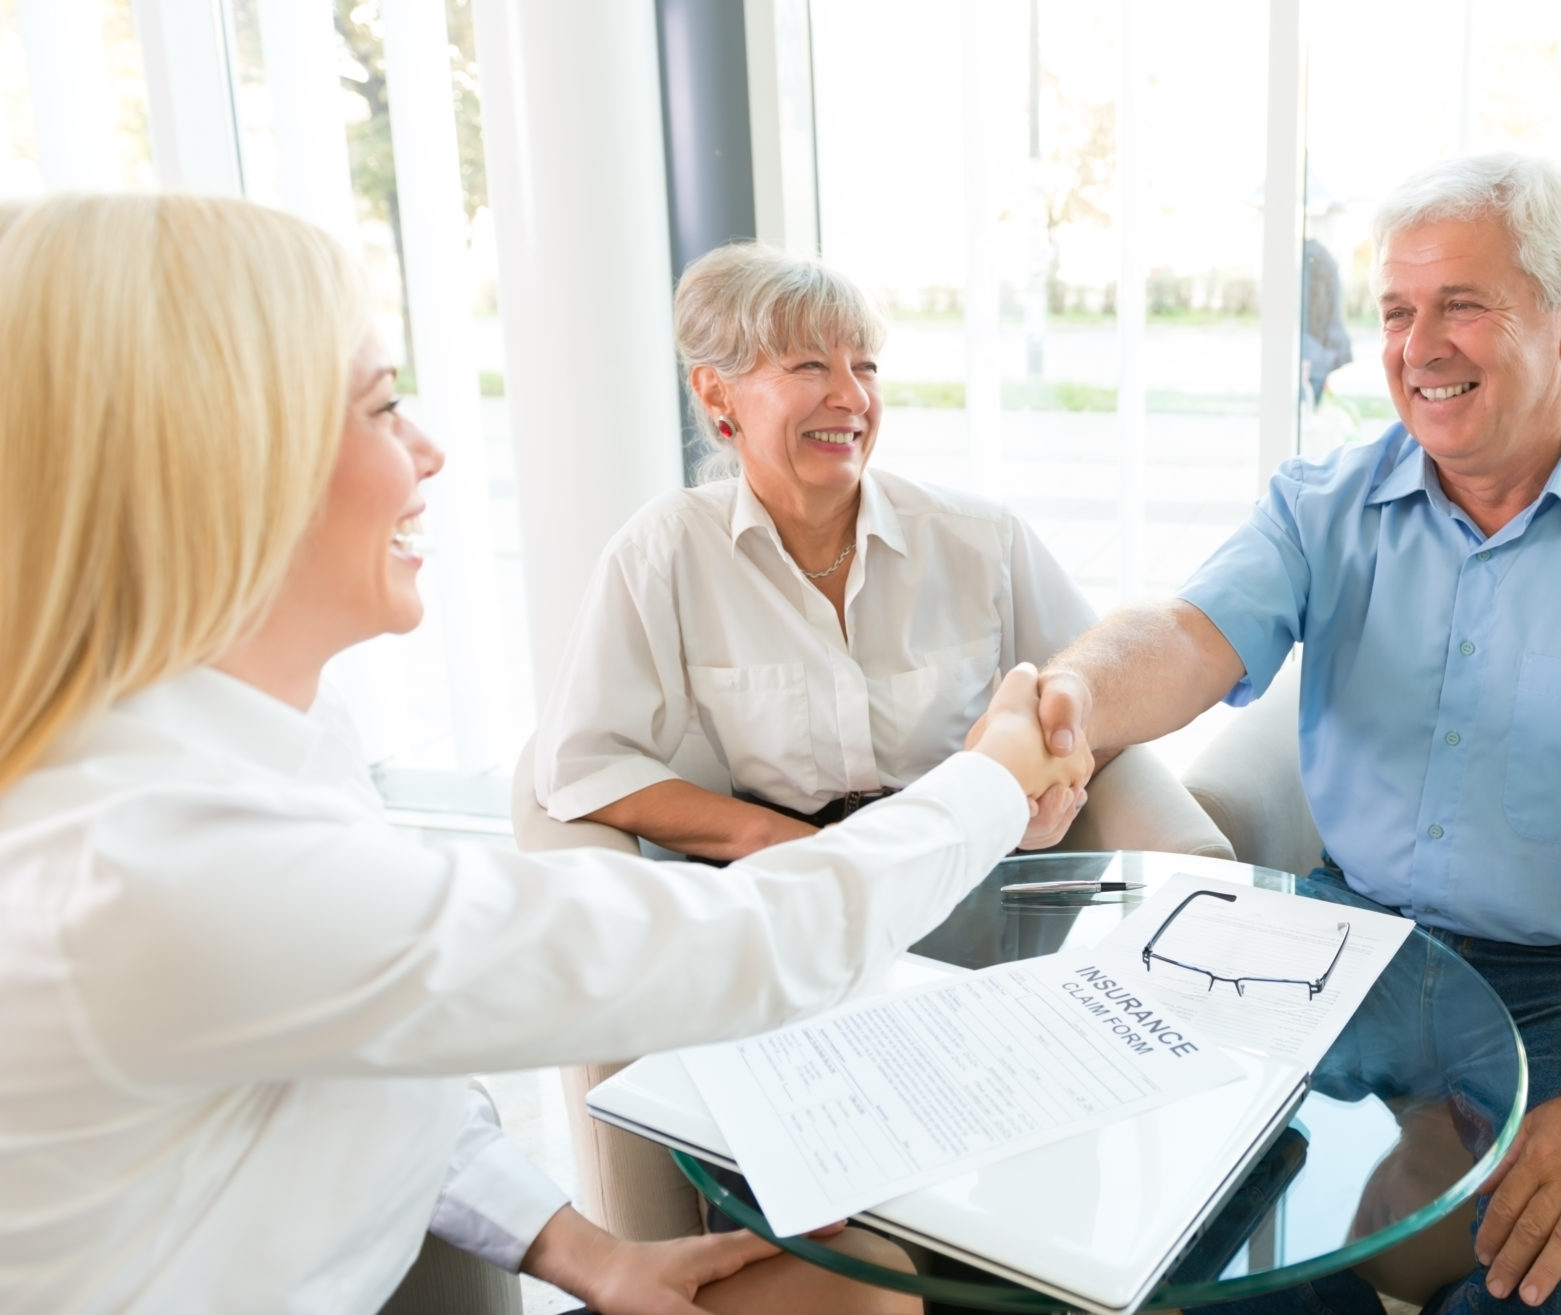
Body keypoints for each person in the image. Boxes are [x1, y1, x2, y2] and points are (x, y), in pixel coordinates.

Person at [0, 193, 1087, 1314]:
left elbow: (365, 1076)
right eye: (382, 408)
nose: (427, 448)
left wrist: (587, 1251)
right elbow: (742, 944)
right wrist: (991, 779)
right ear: (215, 461)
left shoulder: (283, 743)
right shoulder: (150, 866)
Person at [1032, 153, 1561, 1312]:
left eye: (1461, 304)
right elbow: (1183, 631)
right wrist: (1069, 695)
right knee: (1142, 1210)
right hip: (1340, 944)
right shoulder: (1321, 504)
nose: (1418, 346)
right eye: (1397, 311)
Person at [531, 242, 1099, 860]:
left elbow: (1095, 691)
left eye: (866, 367)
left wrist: (1034, 796)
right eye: (809, 366)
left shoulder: (980, 536)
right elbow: (583, 763)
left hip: (963, 864)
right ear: (718, 394)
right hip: (779, 883)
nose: (852, 398)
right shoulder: (664, 550)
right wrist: (814, 853)